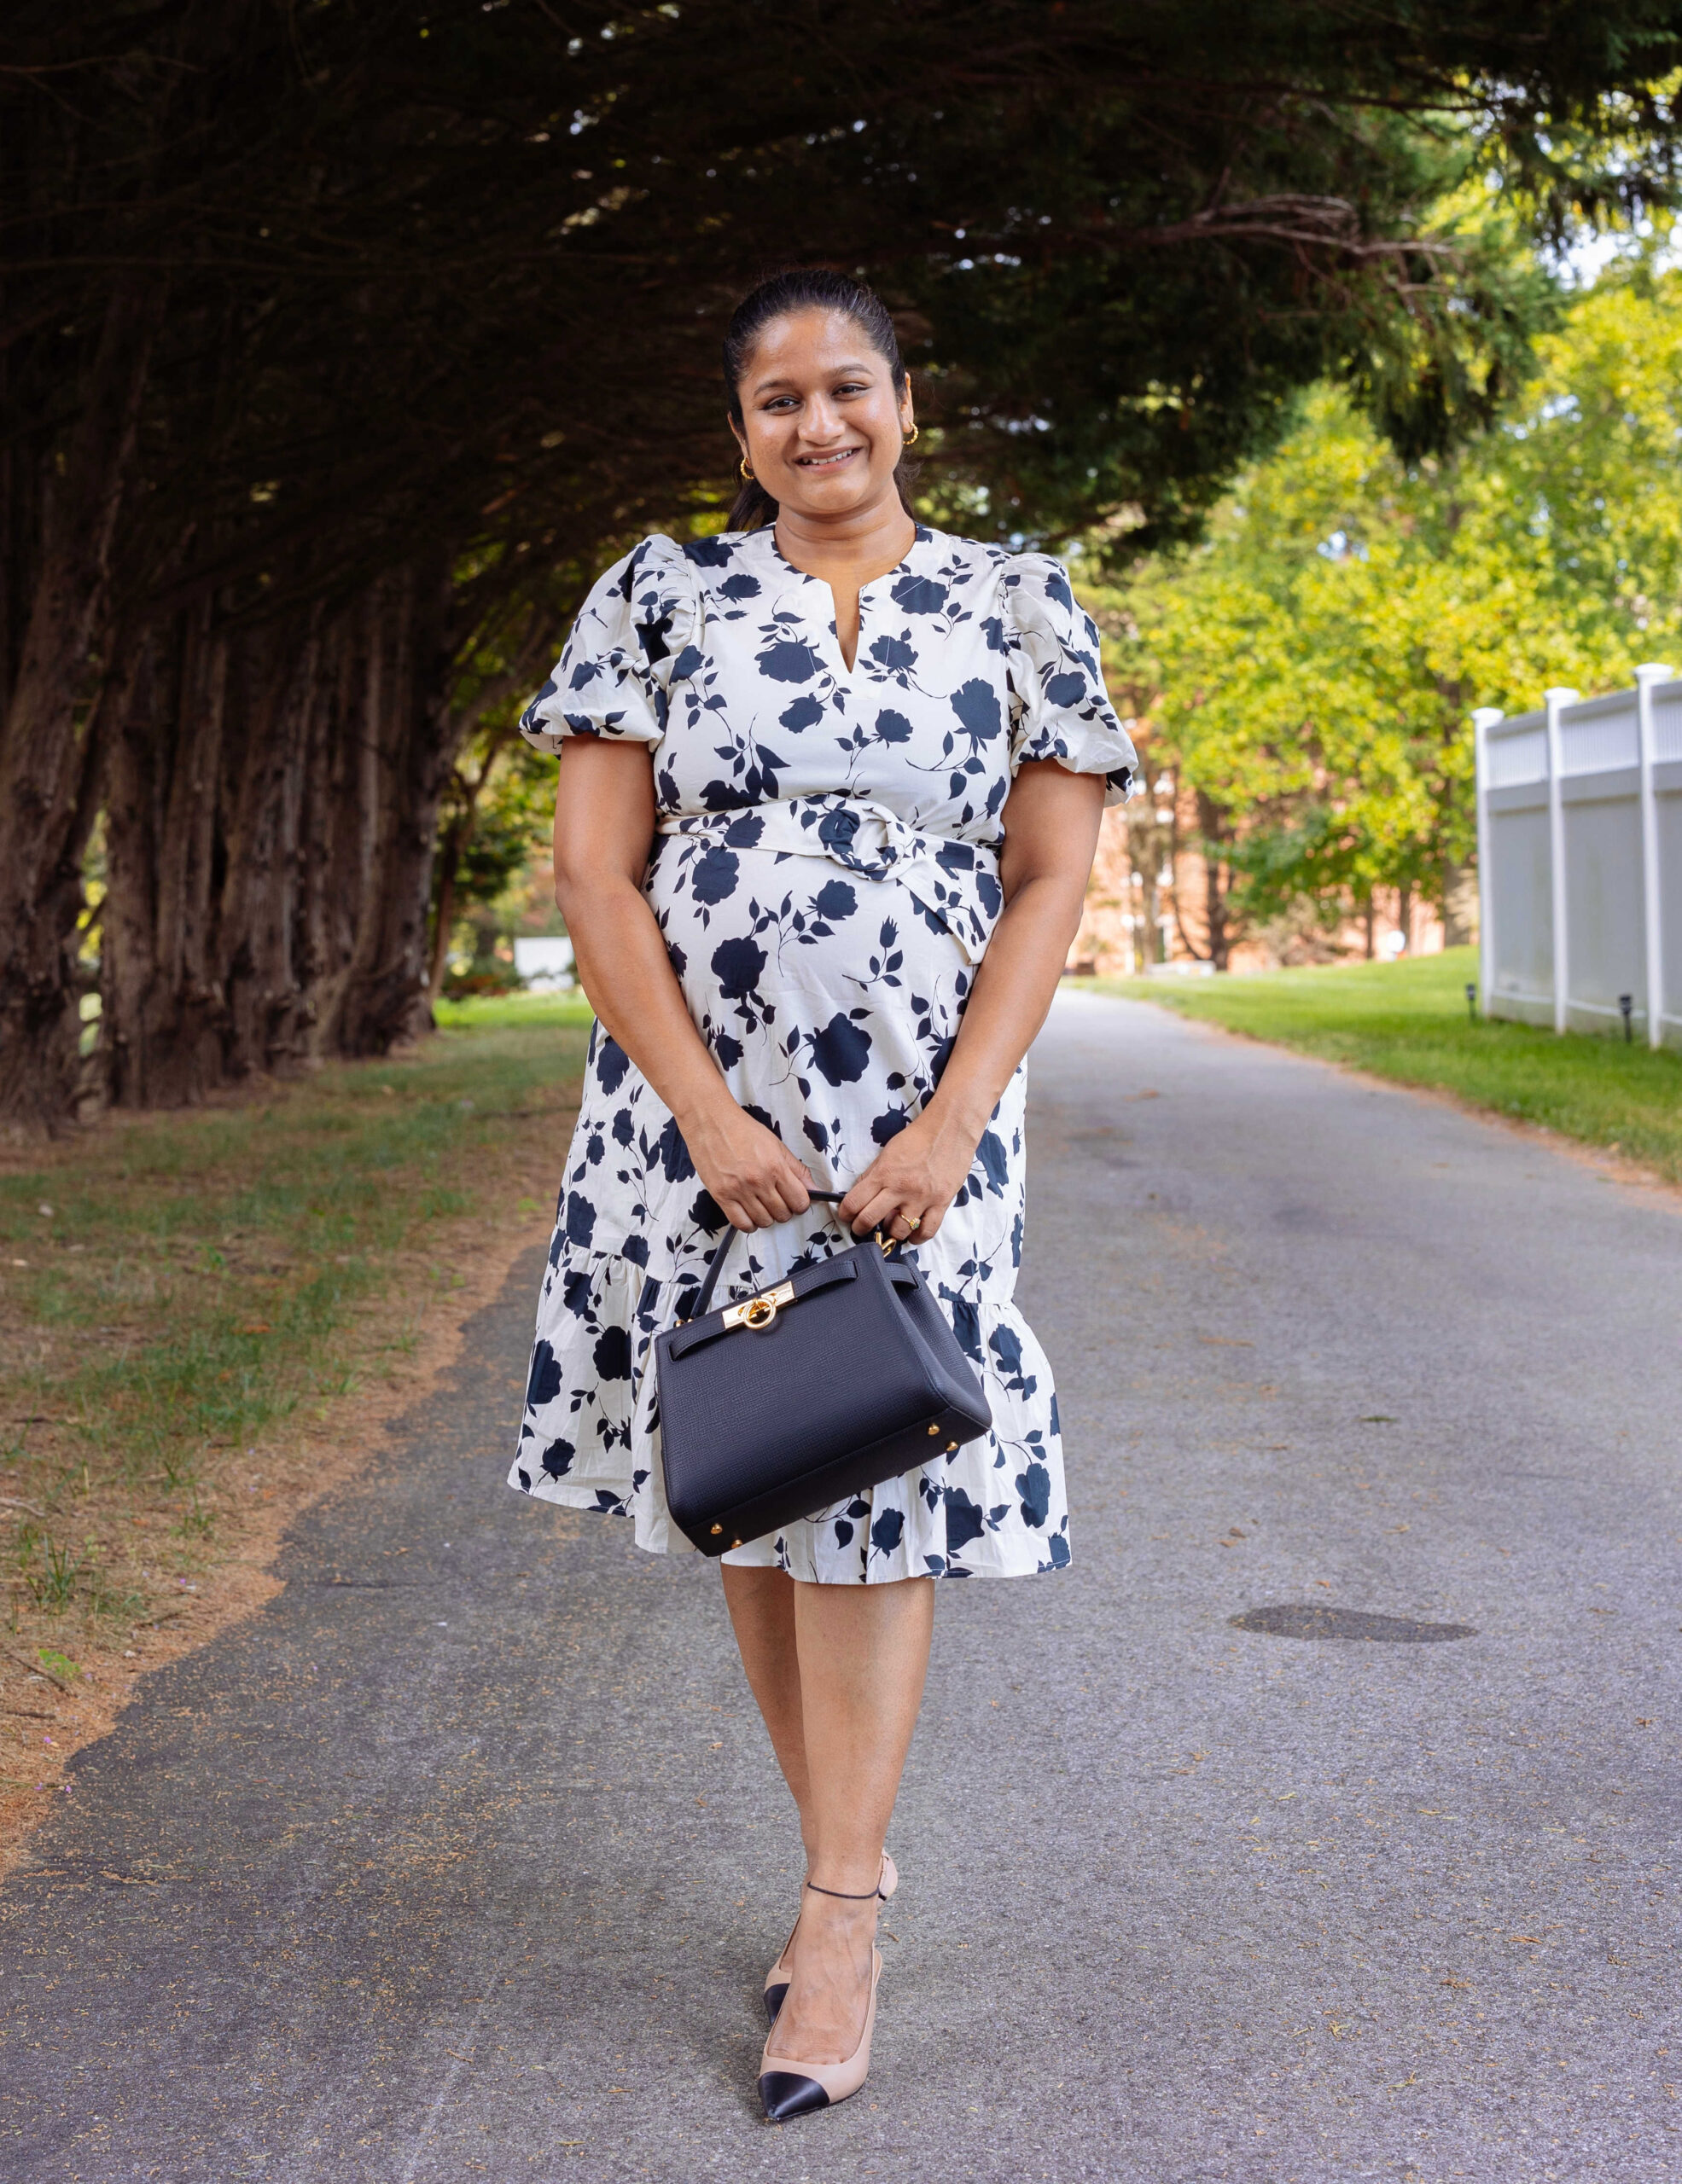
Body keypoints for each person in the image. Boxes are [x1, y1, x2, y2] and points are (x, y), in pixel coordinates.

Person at [509, 268, 1137, 2120]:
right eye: (775, 400)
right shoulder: (657, 591)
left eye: (844, 387)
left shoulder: (1016, 598)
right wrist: (702, 1113)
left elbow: (1043, 880)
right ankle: (837, 1856)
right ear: (738, 433)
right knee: (763, 1468)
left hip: (917, 1131)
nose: (815, 424)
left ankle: (840, 1907)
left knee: (875, 1468)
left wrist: (953, 1120)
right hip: (693, 1123)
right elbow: (597, 875)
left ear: (903, 402)